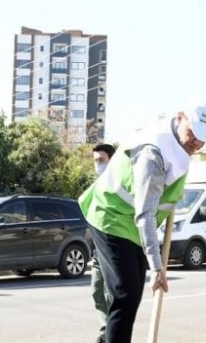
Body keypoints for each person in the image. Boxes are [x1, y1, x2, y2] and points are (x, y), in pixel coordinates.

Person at [79, 98, 206, 343]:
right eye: (195, 133)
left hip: (132, 226)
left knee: (130, 294)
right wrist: (157, 267)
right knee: (125, 293)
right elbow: (145, 213)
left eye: (204, 138)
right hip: (110, 216)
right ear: (180, 117)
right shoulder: (153, 152)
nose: (197, 143)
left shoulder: (180, 147)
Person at [89, 143, 115, 343]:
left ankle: (110, 334)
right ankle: (106, 330)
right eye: (95, 161)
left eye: (101, 160)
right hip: (97, 250)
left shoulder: (118, 185)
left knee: (111, 294)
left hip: (114, 249)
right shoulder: (96, 186)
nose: (98, 164)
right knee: (97, 291)